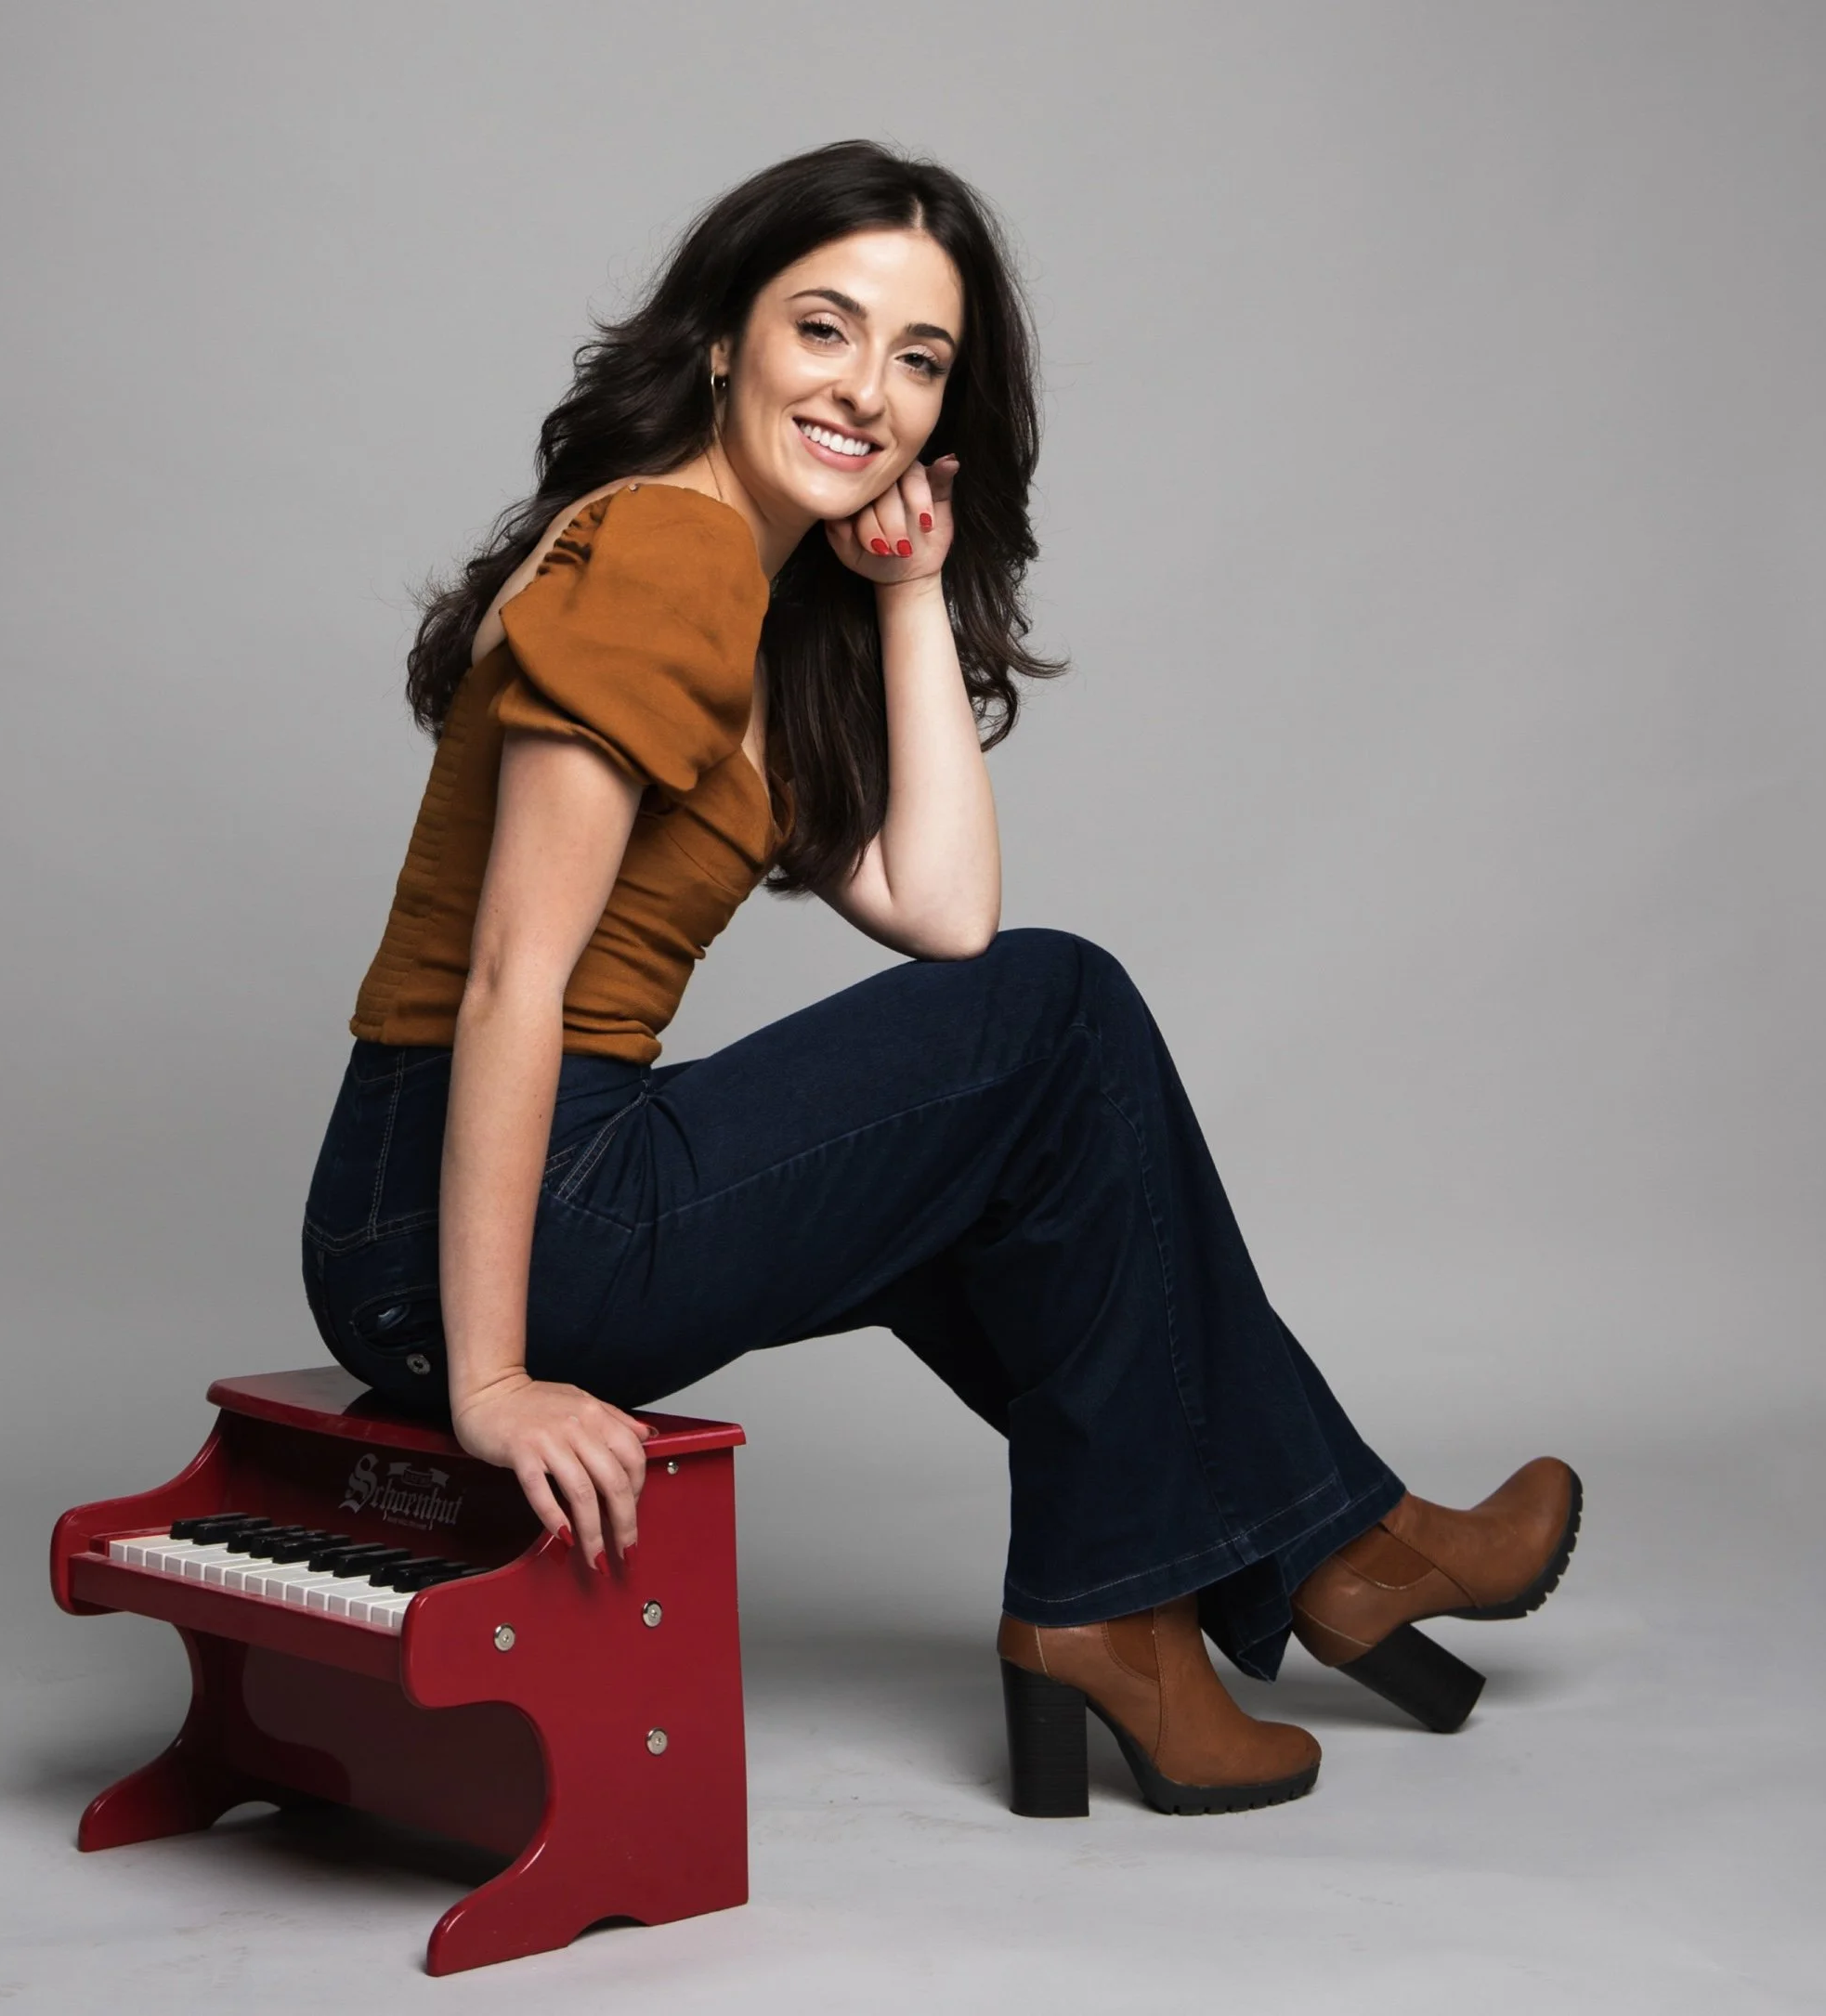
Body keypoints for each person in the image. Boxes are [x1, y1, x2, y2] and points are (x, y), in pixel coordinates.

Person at [301, 139, 1580, 1817]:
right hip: (491, 1205)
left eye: (918, 359)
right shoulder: (669, 558)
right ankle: (1247, 1563)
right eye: (824, 329)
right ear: (720, 340)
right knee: (1062, 1012)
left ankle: (1274, 1562)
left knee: (1014, 1128)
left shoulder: (748, 594)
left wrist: (907, 595)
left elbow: (941, 910)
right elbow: (506, 989)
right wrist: (488, 1380)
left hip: (471, 1198)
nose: (869, 392)